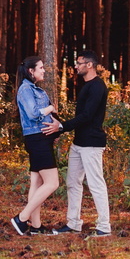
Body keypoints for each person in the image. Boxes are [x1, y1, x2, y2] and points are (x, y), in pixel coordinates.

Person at [52, 50, 111, 238]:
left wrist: (61, 127)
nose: (76, 66)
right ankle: (74, 223)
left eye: (79, 62)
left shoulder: (97, 87)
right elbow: (81, 117)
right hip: (78, 143)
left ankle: (104, 226)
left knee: (96, 184)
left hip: (92, 144)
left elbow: (87, 116)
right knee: (72, 183)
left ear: (90, 65)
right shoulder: (86, 86)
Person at [11, 55, 63, 235]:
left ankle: (36, 226)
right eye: (41, 68)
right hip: (37, 139)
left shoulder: (37, 90)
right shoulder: (25, 89)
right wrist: (51, 108)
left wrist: (56, 131)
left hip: (42, 139)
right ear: (31, 71)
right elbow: (34, 114)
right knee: (53, 183)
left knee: (36, 182)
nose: (44, 70)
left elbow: (49, 117)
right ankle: (21, 218)